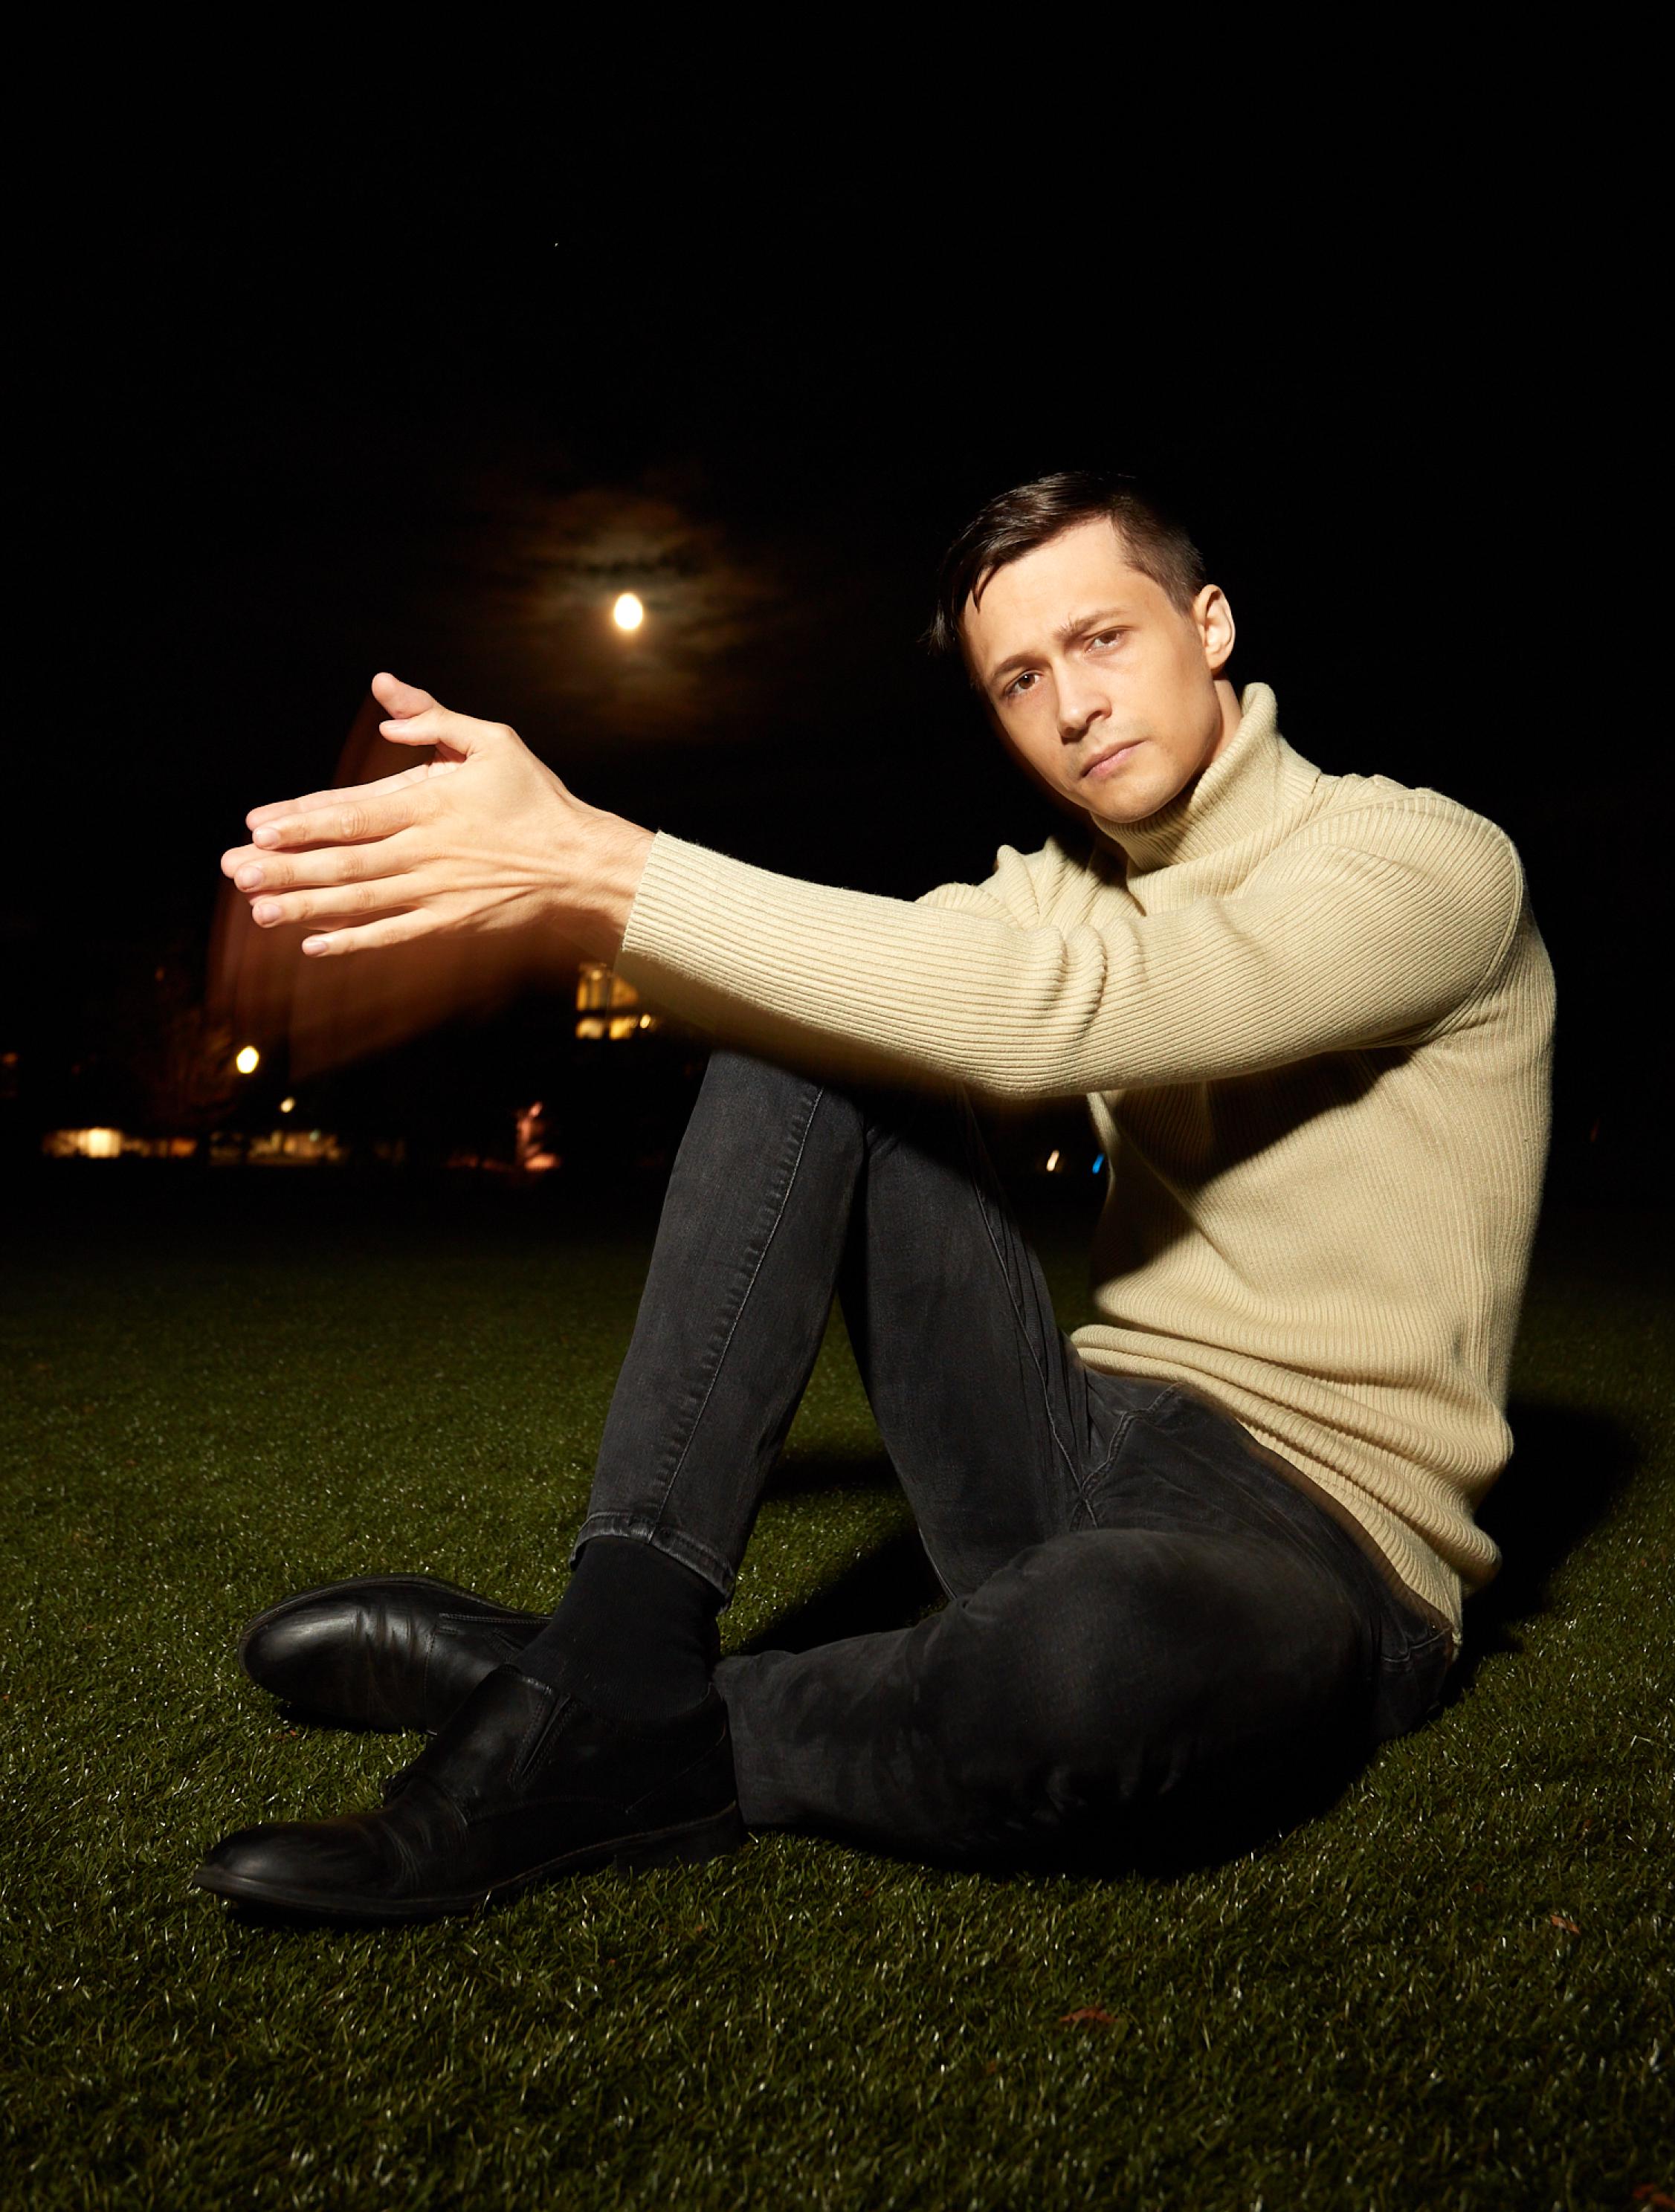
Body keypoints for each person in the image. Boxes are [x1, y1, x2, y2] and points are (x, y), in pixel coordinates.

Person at [195, 471, 1555, 1920]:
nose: (1072, 704)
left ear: (1209, 625)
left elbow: (1070, 1012)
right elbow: (858, 975)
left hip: (1317, 1538)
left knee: (1091, 1668)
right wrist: (553, 901)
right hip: (1074, 1439)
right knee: (814, 1043)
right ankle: (613, 1643)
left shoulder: (1425, 863)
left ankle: (589, 1703)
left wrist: (601, 862)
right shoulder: (1061, 886)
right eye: (1020, 678)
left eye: (1102, 640)